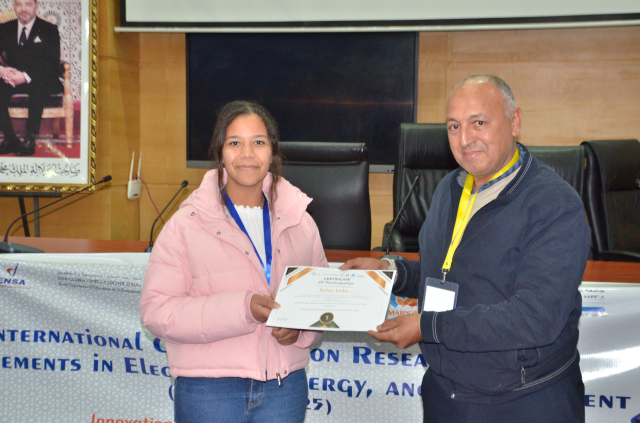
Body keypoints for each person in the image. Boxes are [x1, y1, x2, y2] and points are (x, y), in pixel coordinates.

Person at [342, 75, 591, 422]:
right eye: (454, 126)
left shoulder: (554, 204)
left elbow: (535, 317)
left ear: (515, 122)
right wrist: (392, 272)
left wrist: (428, 326)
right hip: (448, 395)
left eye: (479, 123)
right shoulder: (450, 188)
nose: (464, 139)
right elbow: (449, 274)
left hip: (524, 400)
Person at [140, 101, 327, 423]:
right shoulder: (185, 225)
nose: (247, 154)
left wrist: (301, 329)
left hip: (284, 385)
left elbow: (320, 301)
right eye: (235, 143)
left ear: (273, 151)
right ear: (220, 152)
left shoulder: (301, 222)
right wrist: (243, 308)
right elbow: (157, 312)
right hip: (208, 388)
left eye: (259, 142)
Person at [0, 0, 61, 156]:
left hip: (40, 77)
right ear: (14, 6)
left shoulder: (49, 30)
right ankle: (10, 137)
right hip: (13, 77)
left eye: (28, 4)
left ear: (36, 6)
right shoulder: (5, 28)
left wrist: (25, 76)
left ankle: (30, 137)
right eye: (19, 4)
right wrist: (2, 71)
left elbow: (52, 63)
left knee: (38, 85)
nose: (23, 9)